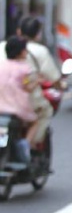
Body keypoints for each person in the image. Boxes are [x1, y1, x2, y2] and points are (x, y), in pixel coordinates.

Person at [0, 17, 61, 147]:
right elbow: (51, 78)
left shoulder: (2, 47)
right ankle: (30, 145)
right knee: (44, 112)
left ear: (18, 31)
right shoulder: (27, 64)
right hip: (20, 103)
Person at [0, 36, 39, 162]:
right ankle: (25, 143)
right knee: (34, 122)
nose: (26, 52)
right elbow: (27, 87)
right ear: (20, 52)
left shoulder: (2, 65)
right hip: (16, 108)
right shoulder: (24, 68)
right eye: (25, 49)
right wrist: (37, 81)